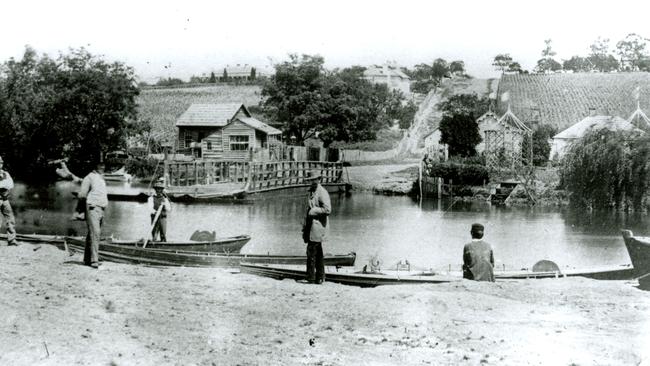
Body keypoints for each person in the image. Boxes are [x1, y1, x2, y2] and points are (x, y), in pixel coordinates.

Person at [302, 170, 331, 284]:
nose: (312, 182)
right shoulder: (311, 192)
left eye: (314, 180)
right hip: (311, 227)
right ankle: (319, 277)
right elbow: (306, 210)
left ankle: (311, 277)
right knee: (318, 253)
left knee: (311, 252)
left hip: (318, 227)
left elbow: (328, 209)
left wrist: (314, 210)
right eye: (310, 180)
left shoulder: (322, 192)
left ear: (319, 179)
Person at [78, 160, 108, 269]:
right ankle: (94, 260)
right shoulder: (89, 178)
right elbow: (82, 195)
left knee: (92, 234)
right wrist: (83, 210)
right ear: (95, 167)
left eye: (103, 167)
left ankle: (87, 258)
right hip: (92, 207)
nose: (102, 168)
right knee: (95, 234)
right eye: (100, 166)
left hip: (101, 208)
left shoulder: (101, 178)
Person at [0, 156, 18, 246]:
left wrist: (3, 184)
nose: (0, 164)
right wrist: (4, 184)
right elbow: (4, 184)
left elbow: (11, 185)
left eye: (1, 163)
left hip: (5, 199)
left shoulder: (5, 173)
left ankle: (12, 240)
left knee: (10, 219)